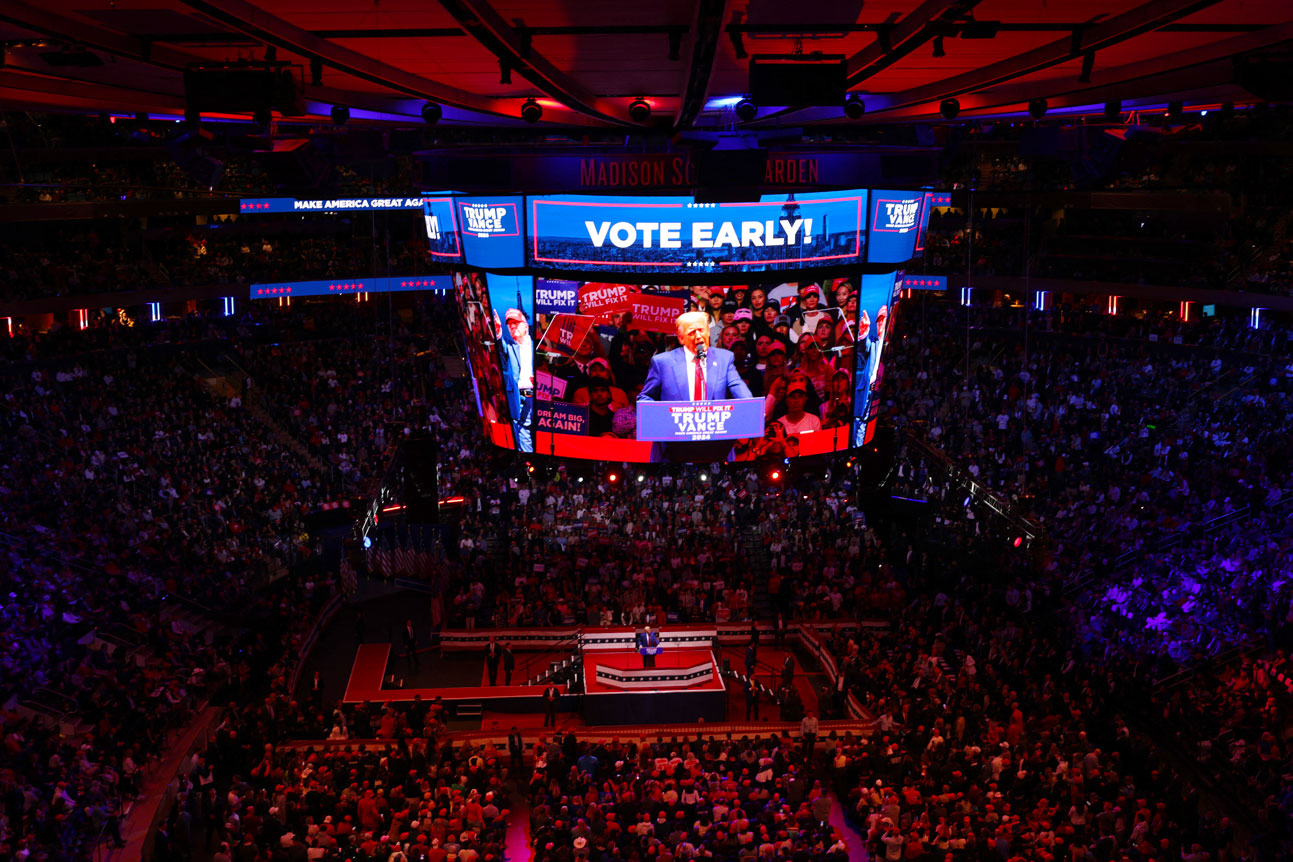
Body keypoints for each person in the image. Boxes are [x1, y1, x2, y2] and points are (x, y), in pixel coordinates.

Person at [638, 311, 753, 403]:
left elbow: (737, 387)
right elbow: (645, 398)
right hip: (676, 429)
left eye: (701, 330)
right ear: (681, 338)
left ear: (708, 332)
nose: (698, 336)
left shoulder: (724, 358)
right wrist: (661, 416)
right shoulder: (663, 362)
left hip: (713, 428)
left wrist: (752, 406)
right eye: (692, 332)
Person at [496, 308, 535, 452]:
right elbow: (499, 345)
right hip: (519, 399)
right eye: (509, 325)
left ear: (526, 326)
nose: (512, 326)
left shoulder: (537, 345)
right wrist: (499, 333)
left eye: (516, 323)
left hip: (537, 397)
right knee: (523, 434)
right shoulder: (510, 347)